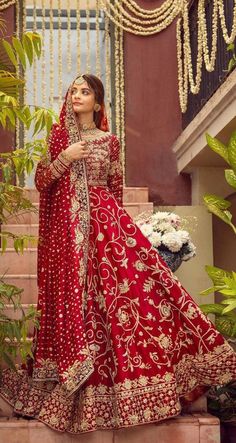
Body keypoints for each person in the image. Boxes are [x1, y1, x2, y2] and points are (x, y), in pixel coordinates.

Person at [0, 74, 235, 434]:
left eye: (85, 92)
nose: (76, 96)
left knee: (134, 293)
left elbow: (113, 187)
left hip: (107, 226)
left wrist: (117, 230)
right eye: (73, 91)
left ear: (98, 102)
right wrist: (64, 158)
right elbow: (43, 180)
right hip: (69, 235)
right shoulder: (60, 138)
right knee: (84, 302)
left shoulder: (110, 141)